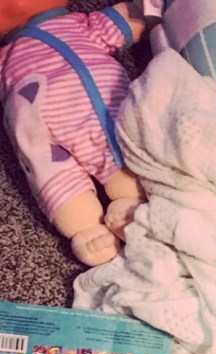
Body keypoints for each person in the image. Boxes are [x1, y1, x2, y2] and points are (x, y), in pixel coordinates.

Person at [0, 0, 148, 265]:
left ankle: (131, 199)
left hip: (102, 118)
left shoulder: (81, 25)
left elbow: (133, 17)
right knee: (51, 176)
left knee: (123, 153)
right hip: (41, 141)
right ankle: (86, 229)